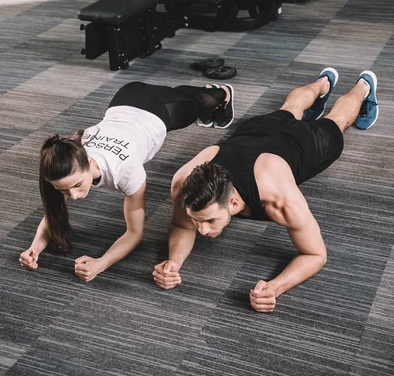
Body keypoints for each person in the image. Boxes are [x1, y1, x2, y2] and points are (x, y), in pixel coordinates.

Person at [152, 68, 379, 313]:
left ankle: (364, 86)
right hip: (253, 132)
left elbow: (315, 254)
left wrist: (276, 287)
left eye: (209, 220)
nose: (203, 230)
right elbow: (182, 225)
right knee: (290, 107)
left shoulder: (278, 199)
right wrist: (173, 262)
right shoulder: (185, 185)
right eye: (199, 221)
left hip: (303, 143)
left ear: (235, 204)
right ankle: (324, 82)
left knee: (337, 121)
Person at [19, 81, 234, 282]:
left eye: (77, 185)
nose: (74, 196)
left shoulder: (125, 171)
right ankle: (187, 93)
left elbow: (134, 233)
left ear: (88, 161)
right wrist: (34, 248)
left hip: (159, 112)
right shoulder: (64, 160)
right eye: (63, 190)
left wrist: (100, 263)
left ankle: (221, 91)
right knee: (178, 94)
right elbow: (52, 212)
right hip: (125, 97)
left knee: (203, 103)